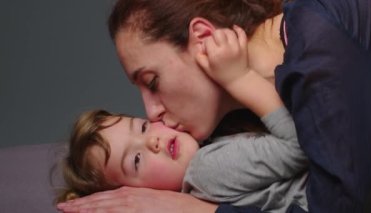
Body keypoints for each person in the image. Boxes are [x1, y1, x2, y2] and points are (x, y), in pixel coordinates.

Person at [58, 0, 371, 212]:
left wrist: (196, 210)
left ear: (203, 37)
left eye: (152, 82)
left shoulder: (318, 55)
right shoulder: (227, 136)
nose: (151, 113)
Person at [57, 28, 308, 211]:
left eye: (143, 127)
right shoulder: (205, 170)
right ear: (135, 194)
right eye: (135, 160)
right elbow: (302, 144)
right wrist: (239, 77)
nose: (153, 141)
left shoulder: (209, 148)